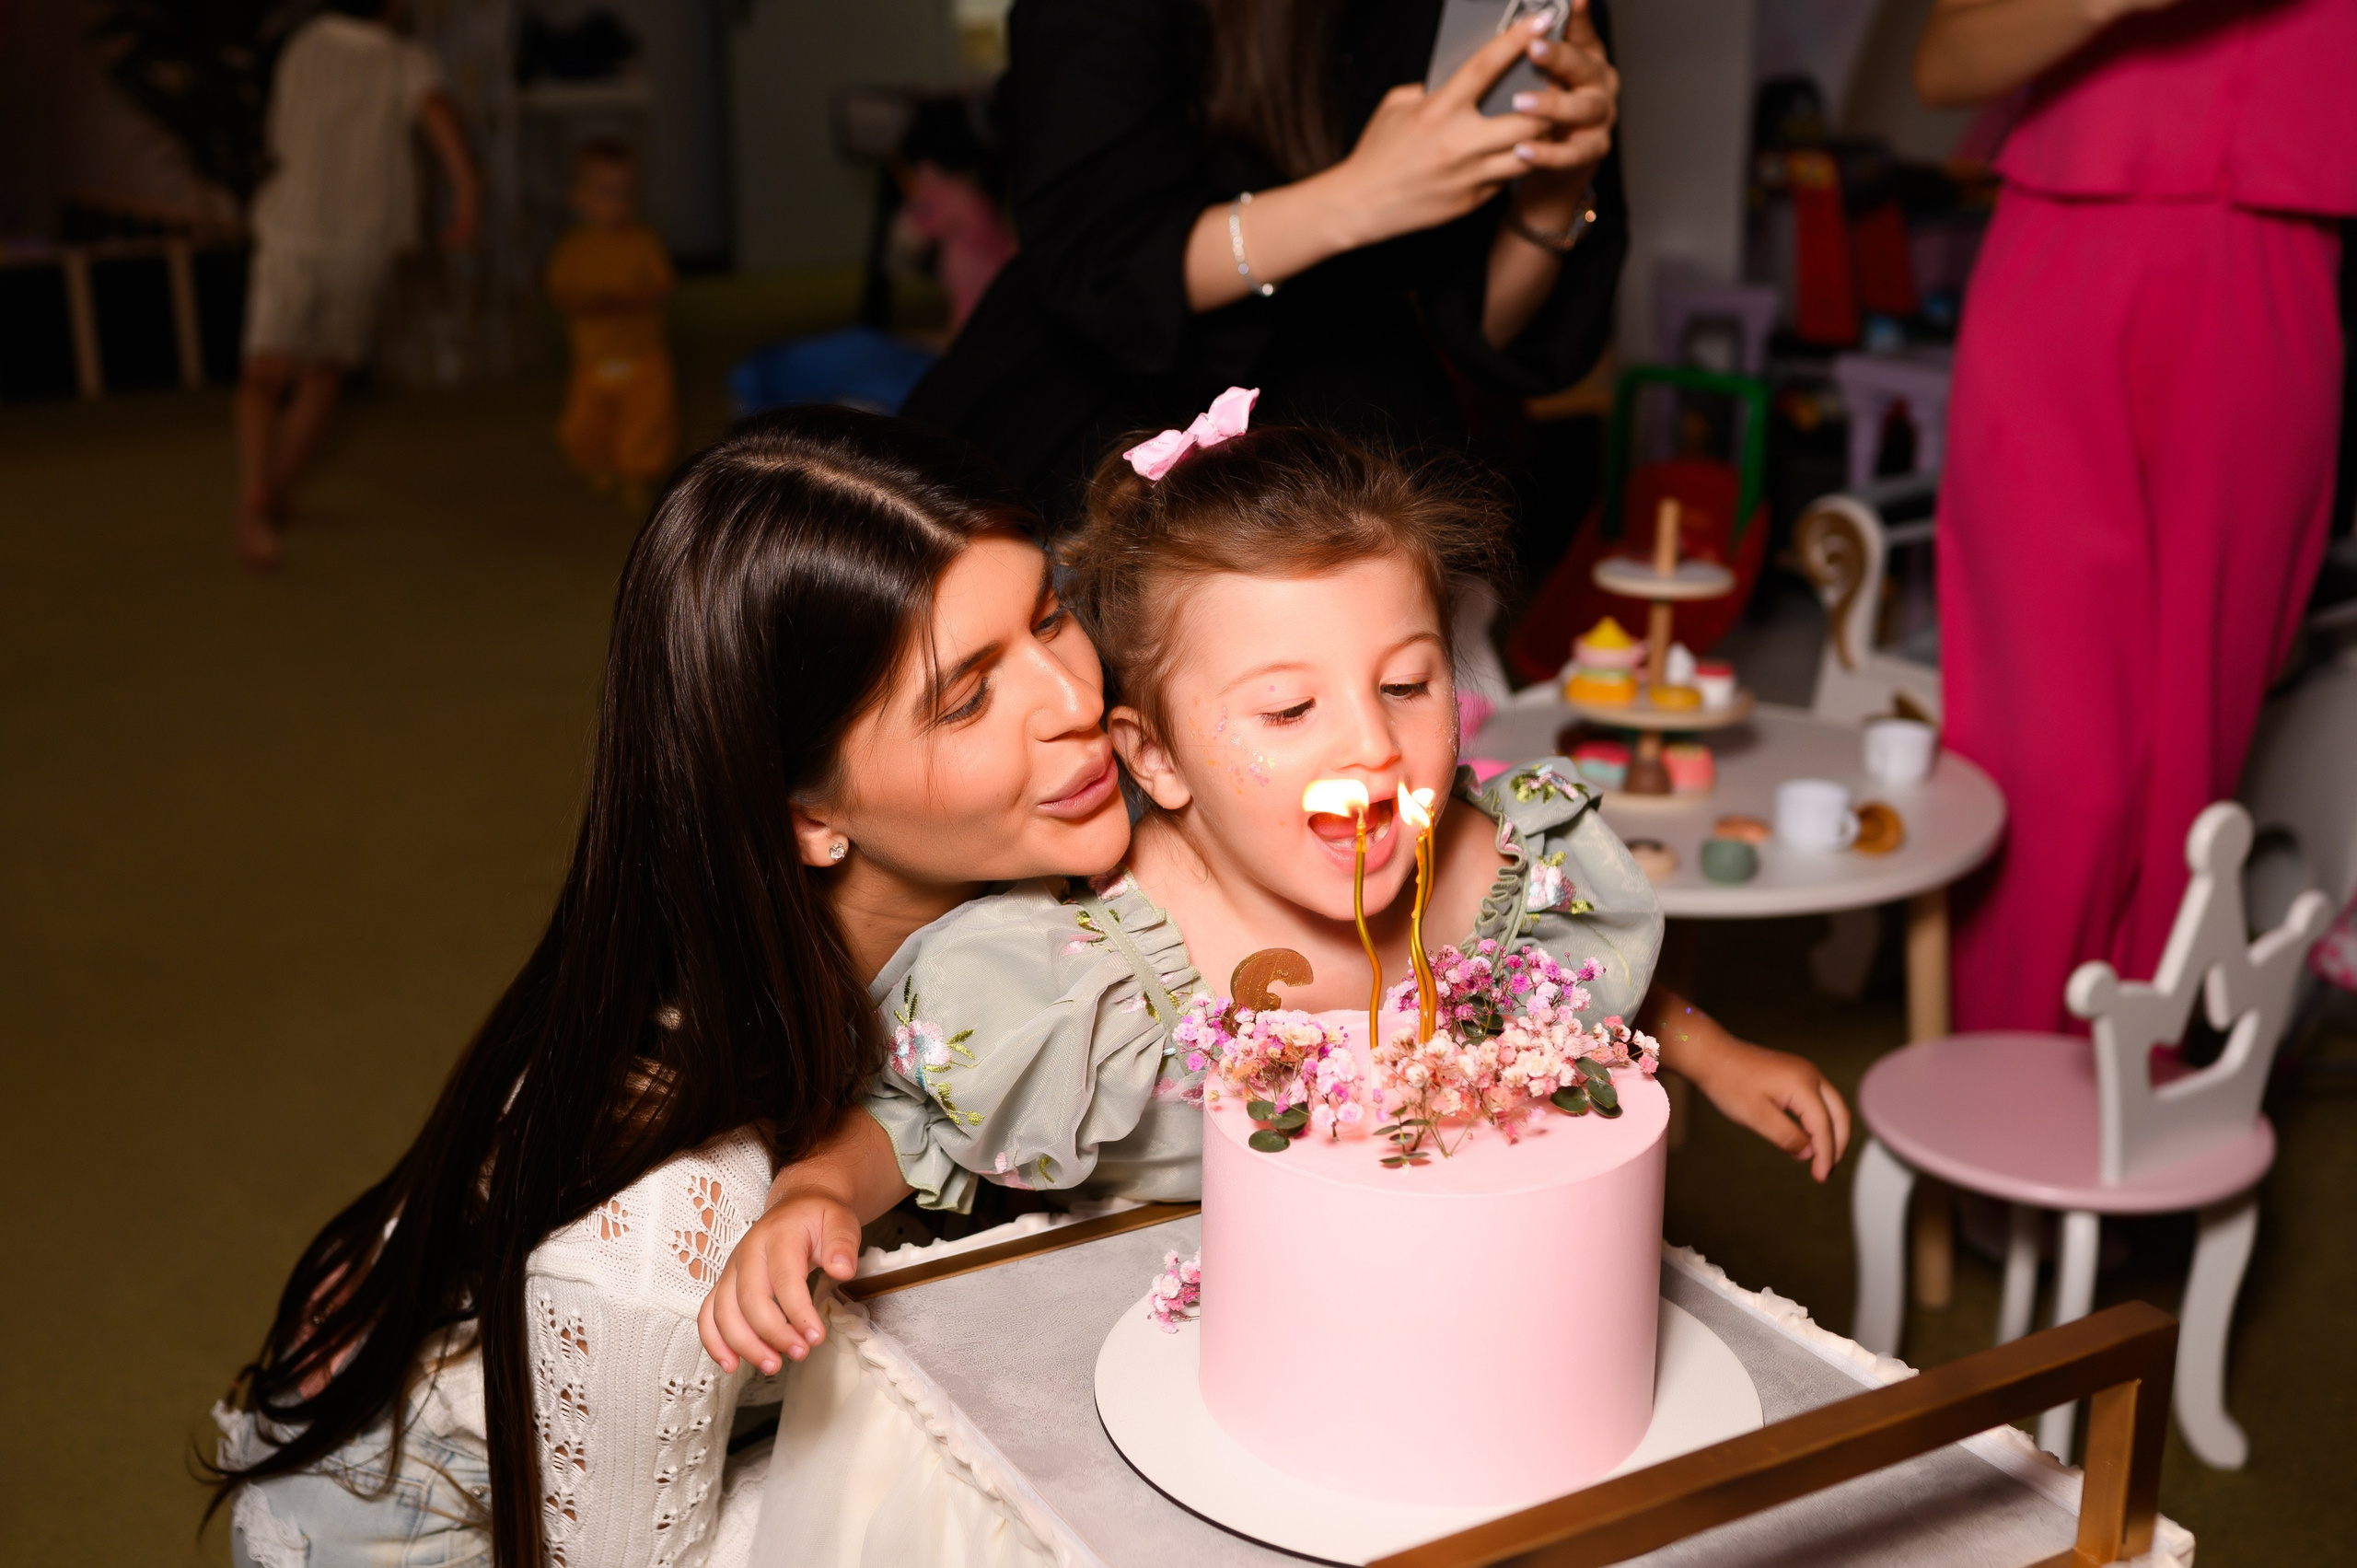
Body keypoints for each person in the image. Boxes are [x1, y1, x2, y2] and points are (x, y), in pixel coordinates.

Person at [702, 401, 1854, 1382]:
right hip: (1190, 1355)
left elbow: (1580, 994)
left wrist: (1711, 1051)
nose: (1370, 743)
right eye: (1289, 711)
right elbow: (915, 1123)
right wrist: (817, 1189)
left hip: (1465, 1322)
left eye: (1407, 682)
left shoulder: (1506, 869)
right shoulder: (1076, 969)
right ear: (1154, 759)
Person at [206, 408, 1132, 1567]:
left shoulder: (1019, 865)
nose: (1073, 700)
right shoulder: (663, 1219)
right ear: (808, 817)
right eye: (968, 697)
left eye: (1051, 613)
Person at [1918, 0, 2356, 1032]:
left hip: (2274, 277)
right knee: (2047, 767)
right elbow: (1942, 62)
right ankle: (1999, 1124)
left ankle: (2120, 1121)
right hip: (2058, 260)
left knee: (2187, 779)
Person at [903, 0, 1627, 522]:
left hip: (1357, 446)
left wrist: (1554, 188)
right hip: (1098, 428)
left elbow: (1483, 330)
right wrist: (1360, 198)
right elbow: (1107, 258)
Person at [235, 0, 480, 570]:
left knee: (267, 373)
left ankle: (261, 490)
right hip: (355, 238)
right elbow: (438, 115)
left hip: (292, 226)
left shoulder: (302, 44)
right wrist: (468, 191)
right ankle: (271, 487)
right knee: (321, 369)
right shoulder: (404, 57)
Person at [547, 139, 679, 511]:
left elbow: (663, 287)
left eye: (627, 192)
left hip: (643, 355)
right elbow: (560, 294)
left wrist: (628, 301)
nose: (618, 202)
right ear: (579, 197)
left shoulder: (643, 242)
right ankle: (599, 463)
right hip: (593, 358)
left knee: (647, 421)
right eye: (606, 192)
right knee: (585, 423)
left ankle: (638, 473)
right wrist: (590, 305)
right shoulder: (572, 249)